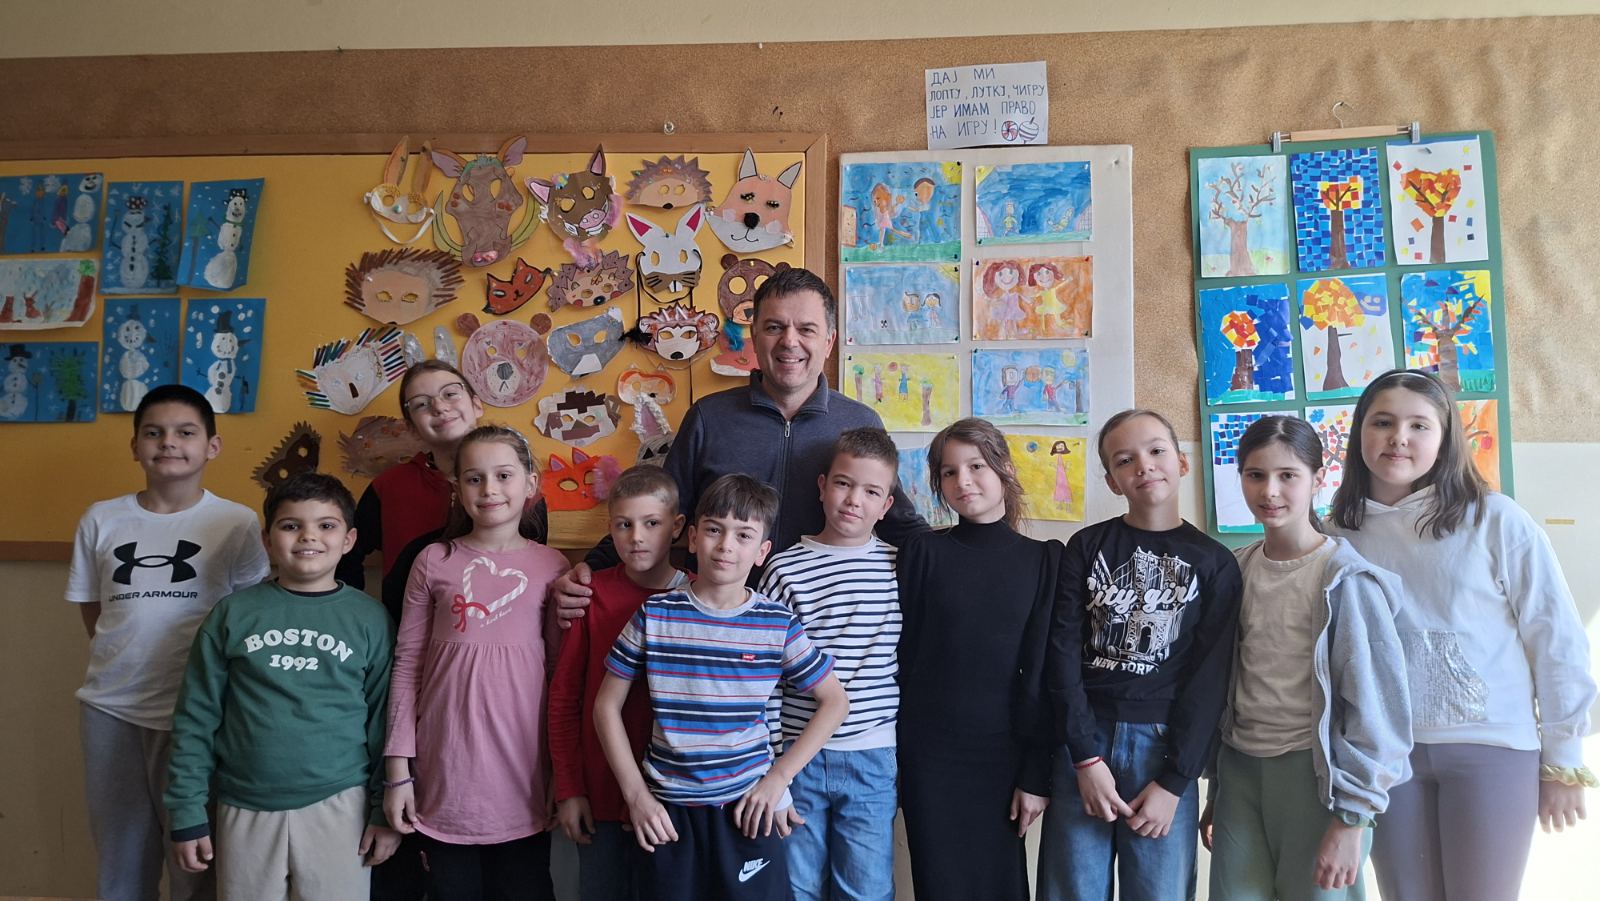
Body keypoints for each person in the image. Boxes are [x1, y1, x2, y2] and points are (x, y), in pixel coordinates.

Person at [1326, 369, 1596, 901]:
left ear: (1445, 438)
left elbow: (1556, 638)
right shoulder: (1337, 534)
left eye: (1418, 425)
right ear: (1359, 433)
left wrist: (1563, 758)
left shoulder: (1496, 519)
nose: (1399, 437)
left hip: (1492, 748)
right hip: (1386, 757)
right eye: (1382, 422)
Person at [553, 266, 924, 617]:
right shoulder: (708, 418)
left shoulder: (860, 423)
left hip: (821, 625)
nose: (789, 341)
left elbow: (900, 524)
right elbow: (658, 509)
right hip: (716, 622)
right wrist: (591, 567)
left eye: (806, 329)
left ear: (829, 342)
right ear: (755, 338)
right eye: (774, 327)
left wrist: (957, 560)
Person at [594, 474, 850, 901]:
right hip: (667, 814)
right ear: (694, 538)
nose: (726, 545)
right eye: (715, 529)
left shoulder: (777, 624)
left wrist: (778, 779)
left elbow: (835, 702)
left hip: (747, 809)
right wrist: (636, 796)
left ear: (762, 551)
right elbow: (606, 706)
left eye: (743, 535)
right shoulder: (655, 614)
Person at [66, 383, 270, 901]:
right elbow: (94, 609)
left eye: (185, 432)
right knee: (121, 850)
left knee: (195, 855)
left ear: (212, 446)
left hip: (200, 713)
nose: (169, 443)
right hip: (111, 710)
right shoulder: (101, 518)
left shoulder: (237, 522)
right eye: (153, 433)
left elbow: (249, 615)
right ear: (135, 446)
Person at [1202, 416, 1412, 900]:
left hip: (1316, 781)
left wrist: (1352, 819)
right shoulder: (1237, 570)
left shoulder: (1344, 579)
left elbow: (1377, 708)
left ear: (1318, 479)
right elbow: (1230, 685)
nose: (1270, 491)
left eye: (1287, 475)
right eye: (1256, 475)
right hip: (1240, 774)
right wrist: (1218, 790)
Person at [165, 472, 400, 899]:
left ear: (349, 540)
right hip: (244, 803)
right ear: (268, 540)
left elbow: (385, 723)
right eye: (291, 525)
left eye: (326, 525)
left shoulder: (370, 619)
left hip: (340, 803)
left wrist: (382, 810)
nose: (308, 536)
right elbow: (195, 719)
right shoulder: (232, 615)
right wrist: (186, 810)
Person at [1040, 408, 1242, 901]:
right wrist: (1084, 756)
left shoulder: (1215, 563)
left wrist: (1176, 780)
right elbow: (1061, 652)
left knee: (1159, 891)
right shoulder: (1086, 547)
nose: (1144, 465)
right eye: (1125, 460)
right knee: (1072, 889)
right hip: (1084, 740)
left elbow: (1210, 679)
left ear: (1182, 462)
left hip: (1165, 747)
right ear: (1112, 481)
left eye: (1156, 451)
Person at [383, 425, 570, 901]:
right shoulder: (433, 560)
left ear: (530, 484)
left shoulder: (553, 567)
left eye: (503, 475)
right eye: (474, 478)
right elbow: (407, 667)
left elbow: (558, 676)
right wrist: (397, 772)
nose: (489, 489)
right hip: (445, 781)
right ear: (457, 487)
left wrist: (561, 773)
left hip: (524, 781)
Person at [896, 418, 1056, 901]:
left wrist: (1036, 774)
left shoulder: (1045, 559)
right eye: (949, 472)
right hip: (928, 754)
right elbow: (905, 657)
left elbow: (1045, 675)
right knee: (938, 881)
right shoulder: (922, 551)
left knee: (1001, 883)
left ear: (1005, 468)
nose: (962, 481)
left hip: (1004, 755)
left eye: (976, 466)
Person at [756, 427, 903, 901]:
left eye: (871, 491)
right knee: (796, 887)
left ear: (887, 505)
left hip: (873, 756)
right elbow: (766, 680)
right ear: (822, 486)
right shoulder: (784, 569)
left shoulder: (900, 567)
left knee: (866, 889)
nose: (854, 500)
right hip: (797, 757)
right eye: (843, 483)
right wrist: (774, 770)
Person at [549, 466, 689, 901]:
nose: (636, 537)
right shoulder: (591, 596)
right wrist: (569, 788)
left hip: (676, 799)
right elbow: (564, 698)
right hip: (602, 796)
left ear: (677, 527)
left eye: (651, 523)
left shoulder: (699, 596)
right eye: (624, 525)